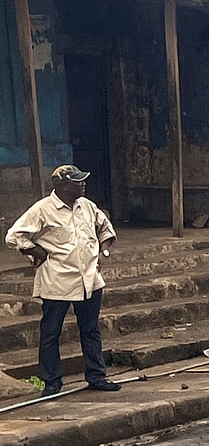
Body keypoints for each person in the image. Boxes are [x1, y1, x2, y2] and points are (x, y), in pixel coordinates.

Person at [4, 165, 121, 396]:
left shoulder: (87, 206)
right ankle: (52, 382)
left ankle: (97, 376)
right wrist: (34, 251)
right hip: (57, 280)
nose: (83, 184)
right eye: (78, 182)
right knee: (51, 333)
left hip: (89, 279)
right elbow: (14, 235)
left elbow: (105, 230)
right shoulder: (43, 209)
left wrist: (102, 252)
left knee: (90, 330)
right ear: (63, 186)